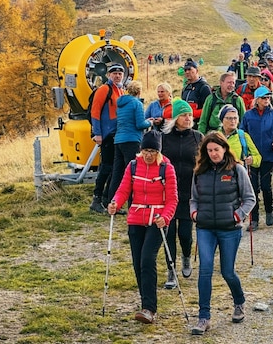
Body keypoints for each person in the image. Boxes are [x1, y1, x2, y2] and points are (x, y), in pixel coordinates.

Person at [189, 131, 256, 335]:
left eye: (216, 150)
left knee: (227, 271)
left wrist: (238, 216)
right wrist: (194, 213)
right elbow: (193, 198)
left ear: (224, 148)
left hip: (230, 229)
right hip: (205, 227)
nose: (213, 154)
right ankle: (204, 317)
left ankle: (239, 302)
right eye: (209, 150)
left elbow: (250, 198)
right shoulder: (199, 171)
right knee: (205, 270)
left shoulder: (237, 170)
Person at [108, 131, 178, 325]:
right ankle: (144, 302)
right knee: (138, 262)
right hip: (136, 218)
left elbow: (173, 199)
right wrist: (115, 203)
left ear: (159, 152)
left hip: (157, 220)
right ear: (140, 150)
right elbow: (123, 190)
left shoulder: (167, 169)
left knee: (147, 259)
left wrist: (166, 217)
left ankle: (150, 308)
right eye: (146, 150)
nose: (149, 155)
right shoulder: (132, 166)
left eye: (153, 151)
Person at [160, 98, 203, 285]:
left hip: (188, 192)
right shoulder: (163, 138)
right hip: (167, 193)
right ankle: (171, 270)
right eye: (184, 115)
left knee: (185, 233)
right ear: (175, 117)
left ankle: (186, 257)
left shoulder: (197, 137)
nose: (188, 118)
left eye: (190, 115)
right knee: (168, 234)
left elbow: (203, 163)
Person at [239, 85, 273, 230]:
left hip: (268, 156)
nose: (266, 100)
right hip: (252, 157)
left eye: (268, 97)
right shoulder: (248, 115)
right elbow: (241, 134)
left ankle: (269, 210)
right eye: (263, 97)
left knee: (266, 186)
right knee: (252, 188)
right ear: (257, 100)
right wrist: (244, 150)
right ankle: (254, 220)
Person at [90, 63, 126, 214]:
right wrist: (97, 133)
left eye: (120, 73)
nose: (117, 75)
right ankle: (96, 200)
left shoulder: (121, 91)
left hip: (118, 134)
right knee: (105, 168)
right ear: (108, 75)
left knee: (115, 169)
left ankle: (108, 200)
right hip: (106, 135)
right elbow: (95, 111)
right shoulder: (104, 89)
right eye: (114, 73)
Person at [109, 80, 152, 204]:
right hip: (132, 140)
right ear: (139, 91)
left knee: (117, 172)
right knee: (133, 172)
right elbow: (140, 124)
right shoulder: (136, 104)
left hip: (118, 140)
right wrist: (150, 122)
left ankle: (113, 201)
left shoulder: (121, 104)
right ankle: (133, 202)